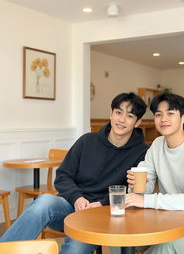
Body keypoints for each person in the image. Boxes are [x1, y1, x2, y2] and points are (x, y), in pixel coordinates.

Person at [0, 92, 149, 254]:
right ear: (111, 114)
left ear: (137, 122)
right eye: (118, 113)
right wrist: (77, 198)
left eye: (129, 116)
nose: (121, 119)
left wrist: (101, 203)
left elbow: (132, 190)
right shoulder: (87, 141)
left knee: (76, 248)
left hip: (106, 216)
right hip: (72, 207)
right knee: (44, 201)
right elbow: (63, 175)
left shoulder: (142, 152)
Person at [126, 93, 184, 254]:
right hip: (166, 221)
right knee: (121, 239)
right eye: (158, 114)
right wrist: (137, 186)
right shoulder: (157, 145)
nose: (163, 119)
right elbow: (145, 188)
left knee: (164, 248)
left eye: (170, 113)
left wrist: (146, 200)